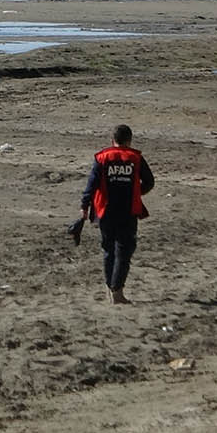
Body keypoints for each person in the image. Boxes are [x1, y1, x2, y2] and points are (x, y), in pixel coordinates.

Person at [81, 123, 155, 305]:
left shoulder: (102, 158)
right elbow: (150, 182)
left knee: (108, 250)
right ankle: (117, 291)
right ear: (129, 141)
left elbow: (92, 183)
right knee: (124, 250)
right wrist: (138, 192)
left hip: (105, 210)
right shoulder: (135, 158)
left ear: (112, 140)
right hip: (127, 211)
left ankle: (110, 287)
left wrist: (84, 205)